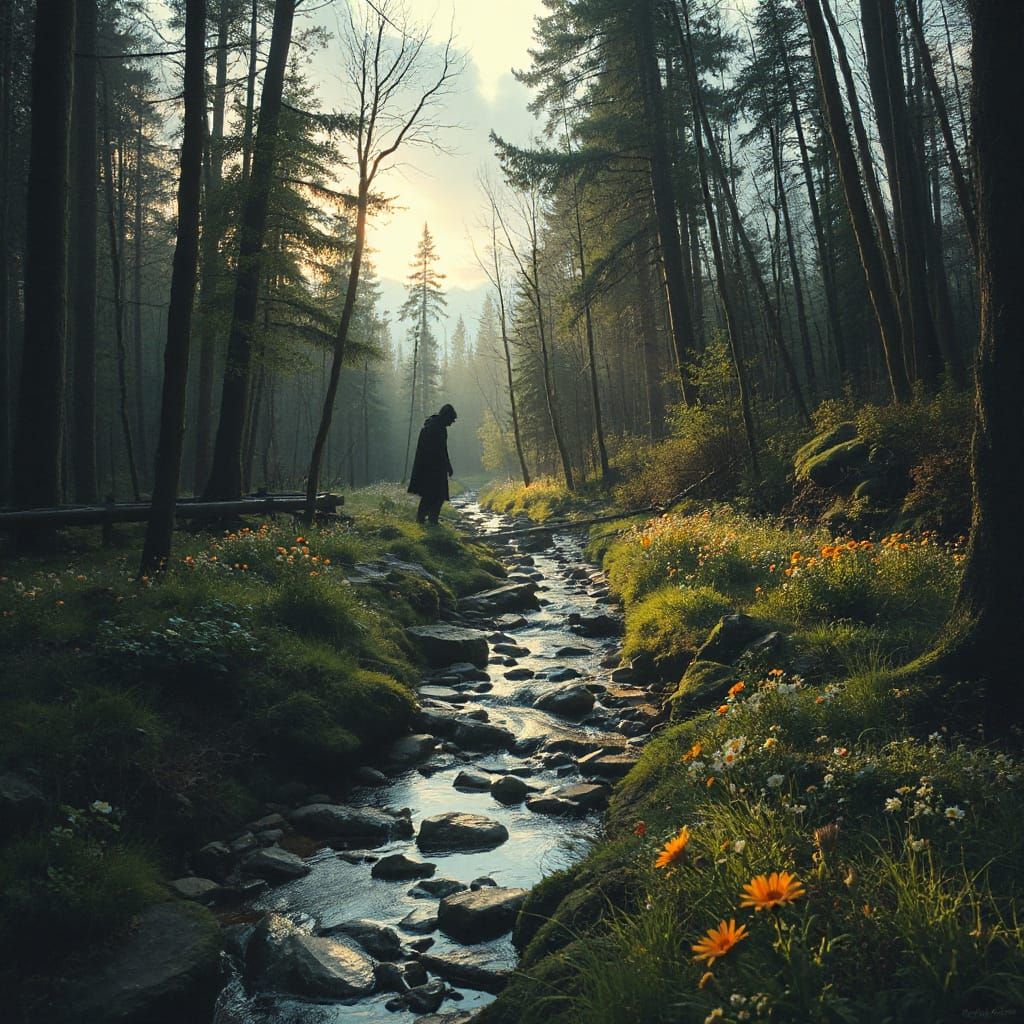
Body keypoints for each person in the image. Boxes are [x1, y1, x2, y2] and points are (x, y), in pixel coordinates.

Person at [408, 403, 457, 524]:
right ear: (446, 416)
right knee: (431, 495)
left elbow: (443, 449)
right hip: (430, 469)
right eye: (451, 419)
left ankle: (431, 519)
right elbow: (434, 450)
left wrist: (448, 465)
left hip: (437, 468)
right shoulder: (432, 427)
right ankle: (423, 519)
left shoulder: (439, 427)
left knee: (437, 495)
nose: (451, 423)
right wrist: (444, 465)